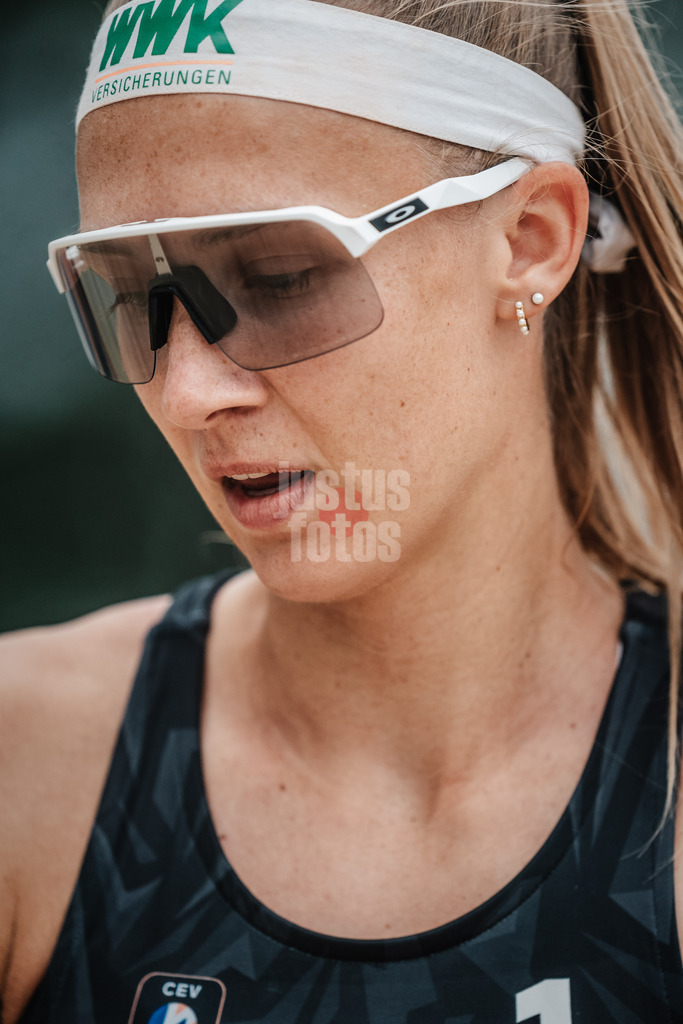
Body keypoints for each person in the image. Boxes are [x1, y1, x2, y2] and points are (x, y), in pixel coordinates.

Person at [1, 0, 682, 1020]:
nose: (188, 394)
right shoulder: (26, 768)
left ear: (532, 238)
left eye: (275, 278)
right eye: (127, 297)